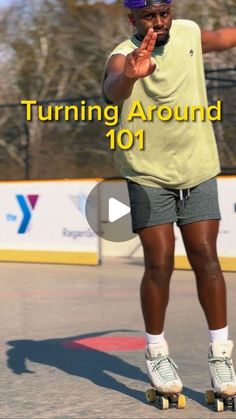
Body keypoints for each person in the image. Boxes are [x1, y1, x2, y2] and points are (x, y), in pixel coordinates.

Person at [102, 0, 236, 397]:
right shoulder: (121, 56)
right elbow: (112, 89)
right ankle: (157, 352)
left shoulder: (190, 32)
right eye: (148, 16)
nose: (158, 22)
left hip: (198, 167)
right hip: (147, 172)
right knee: (159, 262)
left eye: (164, 12)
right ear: (132, 20)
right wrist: (128, 76)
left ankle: (221, 356)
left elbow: (225, 37)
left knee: (206, 257)